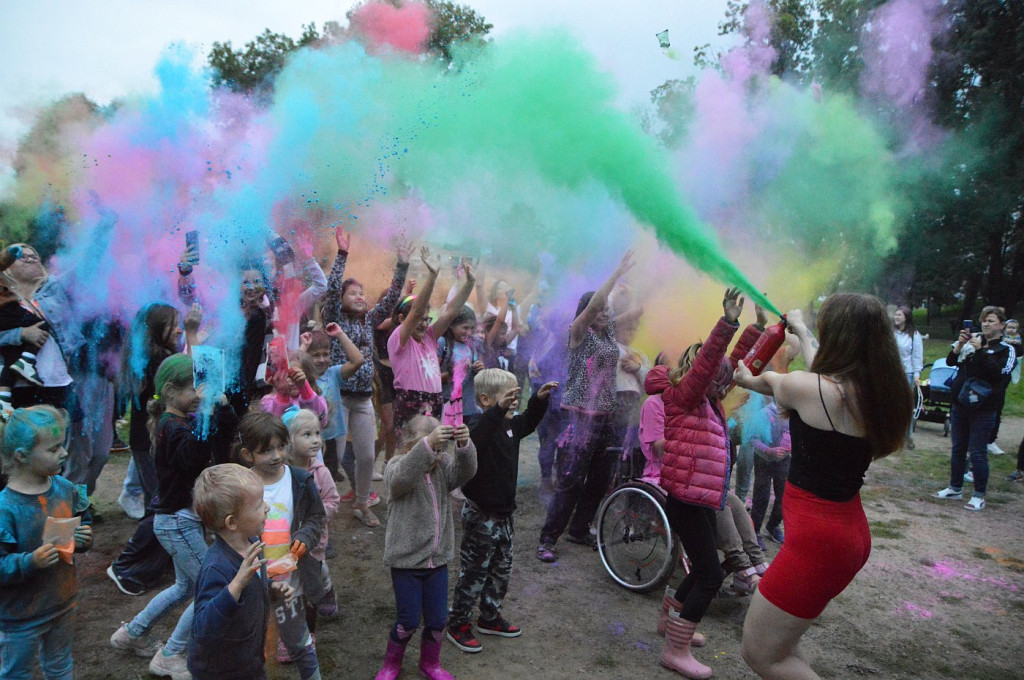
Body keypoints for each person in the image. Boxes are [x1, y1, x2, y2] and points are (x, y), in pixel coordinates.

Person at [733, 294, 912, 680]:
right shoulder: (877, 393)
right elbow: (823, 377)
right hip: (847, 535)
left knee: (762, 654)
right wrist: (800, 328)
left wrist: (746, 375)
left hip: (818, 544)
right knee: (784, 645)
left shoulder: (806, 388)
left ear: (839, 338)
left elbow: (765, 380)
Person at [110, 354, 238, 680]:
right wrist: (207, 412)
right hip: (177, 521)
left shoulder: (184, 420)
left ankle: (133, 633)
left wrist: (220, 407)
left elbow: (222, 437)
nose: (199, 393)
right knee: (211, 586)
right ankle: (171, 653)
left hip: (178, 521)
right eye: (193, 388)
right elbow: (191, 459)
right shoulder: (172, 425)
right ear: (169, 391)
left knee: (184, 587)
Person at [642, 288, 745, 679]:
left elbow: (736, 363)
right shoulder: (684, 395)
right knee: (711, 575)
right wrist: (728, 323)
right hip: (685, 497)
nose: (725, 387)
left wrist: (758, 331)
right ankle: (675, 649)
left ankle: (672, 623)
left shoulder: (711, 400)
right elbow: (708, 367)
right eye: (719, 380)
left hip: (698, 497)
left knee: (705, 570)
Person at [445, 369, 556, 654]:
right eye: (509, 396)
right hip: (481, 515)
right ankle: (458, 623)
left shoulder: (510, 426)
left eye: (516, 394)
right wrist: (496, 411)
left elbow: (529, 422)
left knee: (500, 569)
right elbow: (477, 441)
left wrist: (538, 401)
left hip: (504, 515)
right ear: (485, 400)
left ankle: (490, 616)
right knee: (474, 572)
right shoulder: (477, 426)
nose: (514, 400)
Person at [537, 251, 635, 563]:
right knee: (570, 479)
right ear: (587, 311)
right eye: (601, 309)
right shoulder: (577, 333)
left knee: (601, 477)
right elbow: (595, 305)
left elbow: (633, 311)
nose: (606, 312)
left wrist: (634, 289)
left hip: (607, 416)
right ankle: (548, 539)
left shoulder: (608, 333)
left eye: (608, 309)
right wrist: (614, 276)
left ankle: (579, 528)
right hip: (578, 418)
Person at [375, 416, 476, 680]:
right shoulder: (396, 465)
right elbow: (400, 480)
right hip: (406, 562)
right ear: (409, 440)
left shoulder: (441, 468)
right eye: (429, 445)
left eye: (440, 448)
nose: (436, 453)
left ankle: (429, 663)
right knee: (407, 621)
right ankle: (391, 664)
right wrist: (427, 446)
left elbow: (465, 472)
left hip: (437, 560)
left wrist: (464, 446)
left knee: (437, 620)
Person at [320, 231, 410, 527]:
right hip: (338, 396)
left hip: (362, 401)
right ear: (342, 300)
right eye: (353, 293)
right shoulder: (335, 317)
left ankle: (361, 503)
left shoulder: (370, 320)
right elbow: (332, 288)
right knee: (333, 458)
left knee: (368, 458)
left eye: (362, 293)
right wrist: (342, 255)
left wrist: (402, 265)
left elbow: (392, 299)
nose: (360, 297)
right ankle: (320, 509)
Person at [0, 406, 92, 680]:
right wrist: (29, 562)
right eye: (53, 449)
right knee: (17, 673)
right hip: (20, 617)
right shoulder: (5, 508)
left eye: (62, 445)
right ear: (22, 455)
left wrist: (84, 538)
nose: (63, 453)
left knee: (60, 665)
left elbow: (82, 519)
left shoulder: (66, 488)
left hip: (63, 601)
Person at [233, 411, 324, 680]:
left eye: (281, 447)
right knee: (253, 641)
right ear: (248, 454)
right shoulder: (240, 485)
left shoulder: (299, 480)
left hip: (290, 586)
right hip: (254, 584)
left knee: (300, 642)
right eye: (266, 450)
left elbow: (316, 517)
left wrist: (306, 536)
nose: (276, 455)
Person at [188, 463, 293, 680]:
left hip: (249, 659)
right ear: (232, 522)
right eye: (258, 505)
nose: (267, 507)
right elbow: (203, 630)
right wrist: (235, 585)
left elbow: (252, 585)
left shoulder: (253, 542)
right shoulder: (216, 567)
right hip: (221, 672)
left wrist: (272, 588)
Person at [934, 306, 1015, 511]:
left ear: (1002, 325)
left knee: (977, 452)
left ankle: (979, 495)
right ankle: (955, 488)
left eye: (991, 321)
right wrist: (960, 345)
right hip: (961, 403)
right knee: (958, 449)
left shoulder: (1006, 349)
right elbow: (952, 361)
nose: (986, 324)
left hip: (984, 407)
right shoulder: (972, 341)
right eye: (984, 320)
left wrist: (980, 351)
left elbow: (997, 373)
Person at [388, 249, 475, 435]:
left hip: (434, 400)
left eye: (427, 319)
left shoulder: (429, 337)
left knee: (434, 455)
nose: (423, 323)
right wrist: (432, 277)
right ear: (403, 318)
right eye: (419, 319)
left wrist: (470, 283)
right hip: (410, 400)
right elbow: (417, 311)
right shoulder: (399, 337)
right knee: (411, 454)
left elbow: (451, 312)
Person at [283, 407, 341, 623]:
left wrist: (316, 516)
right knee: (293, 582)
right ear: (289, 439)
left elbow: (333, 500)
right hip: (286, 541)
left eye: (317, 433)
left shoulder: (321, 472)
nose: (316, 440)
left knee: (317, 574)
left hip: (315, 541)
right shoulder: (283, 472)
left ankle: (325, 592)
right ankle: (293, 625)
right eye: (307, 435)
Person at [893, 306, 923, 449]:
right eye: (896, 314)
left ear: (906, 317)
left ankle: (908, 436)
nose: (896, 317)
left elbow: (917, 356)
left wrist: (917, 374)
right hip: (891, 372)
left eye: (899, 315)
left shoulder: (914, 335)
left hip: (907, 374)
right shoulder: (891, 333)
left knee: (904, 406)